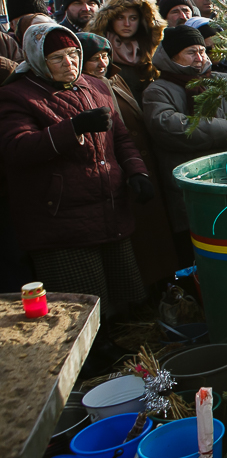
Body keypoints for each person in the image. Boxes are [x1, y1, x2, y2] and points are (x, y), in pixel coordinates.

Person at [0, 23, 155, 321]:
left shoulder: (95, 86)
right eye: (57, 58)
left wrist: (137, 172)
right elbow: (17, 148)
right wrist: (73, 128)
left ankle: (119, 346)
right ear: (36, 59)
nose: (69, 63)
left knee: (120, 292)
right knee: (80, 303)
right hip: (60, 217)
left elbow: (120, 137)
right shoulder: (17, 95)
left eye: (73, 54)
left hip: (108, 206)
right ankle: (93, 355)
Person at [76, 33, 182, 289]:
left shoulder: (115, 79)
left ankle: (164, 287)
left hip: (140, 165)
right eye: (93, 59)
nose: (101, 63)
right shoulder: (84, 89)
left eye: (104, 56)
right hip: (119, 169)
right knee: (140, 237)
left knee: (156, 233)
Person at [142, 26, 227, 254]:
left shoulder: (223, 81)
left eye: (202, 51)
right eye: (191, 52)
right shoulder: (158, 91)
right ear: (172, 57)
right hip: (190, 186)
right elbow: (171, 127)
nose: (200, 58)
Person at [88, 0, 164, 104]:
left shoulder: (152, 49)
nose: (127, 24)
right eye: (120, 17)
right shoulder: (97, 49)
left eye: (133, 18)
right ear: (110, 19)